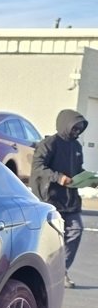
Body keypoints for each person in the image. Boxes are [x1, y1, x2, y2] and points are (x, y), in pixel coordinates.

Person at [31, 109, 90, 287]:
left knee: (75, 230)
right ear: (66, 124)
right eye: (74, 128)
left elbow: (77, 171)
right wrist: (58, 177)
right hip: (50, 199)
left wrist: (90, 179)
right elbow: (38, 167)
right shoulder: (49, 144)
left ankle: (60, 271)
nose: (77, 131)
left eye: (80, 128)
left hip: (70, 200)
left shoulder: (77, 146)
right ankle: (43, 272)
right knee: (50, 239)